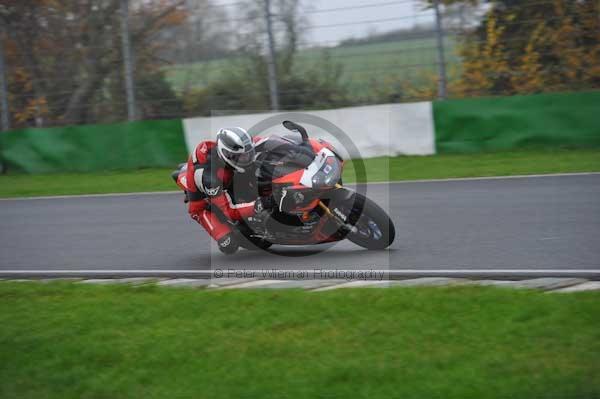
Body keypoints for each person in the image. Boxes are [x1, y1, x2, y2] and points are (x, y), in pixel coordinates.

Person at [175, 127, 271, 254]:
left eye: (248, 154)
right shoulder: (210, 178)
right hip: (203, 205)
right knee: (229, 245)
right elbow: (227, 211)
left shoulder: (239, 148)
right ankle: (216, 216)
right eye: (241, 157)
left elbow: (266, 141)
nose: (246, 159)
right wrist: (258, 206)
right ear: (226, 155)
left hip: (227, 175)